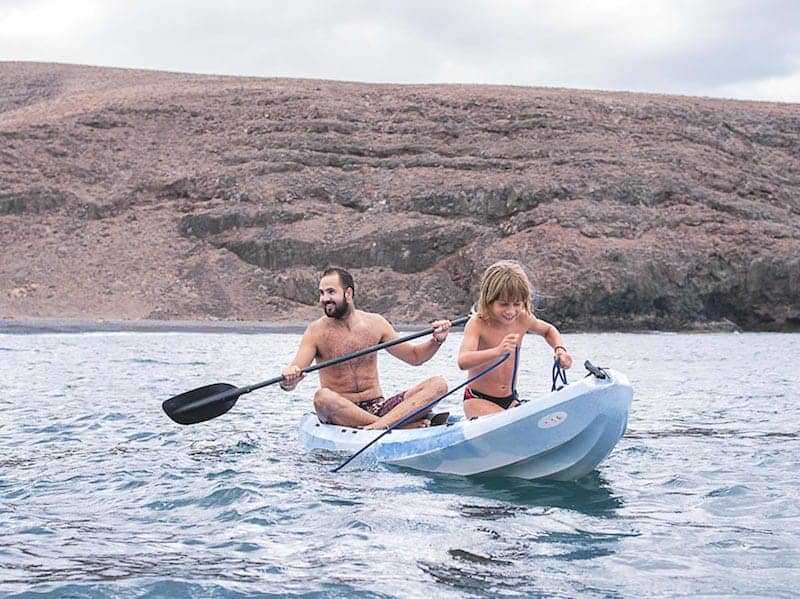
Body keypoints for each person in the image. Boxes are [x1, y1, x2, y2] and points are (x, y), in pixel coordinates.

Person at [280, 266, 454, 429]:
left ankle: (382, 425)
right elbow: (293, 376)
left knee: (438, 384)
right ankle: (395, 425)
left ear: (348, 293)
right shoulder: (315, 331)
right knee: (322, 398)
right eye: (322, 293)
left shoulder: (375, 323)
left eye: (331, 292)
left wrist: (436, 341)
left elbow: (415, 357)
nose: (324, 298)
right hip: (342, 413)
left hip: (377, 406)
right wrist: (289, 379)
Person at [457, 260, 573, 419]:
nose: (511, 311)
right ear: (488, 300)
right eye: (503, 304)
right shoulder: (477, 323)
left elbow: (548, 330)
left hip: (511, 399)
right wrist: (497, 351)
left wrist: (560, 350)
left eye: (517, 304)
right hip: (477, 399)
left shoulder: (523, 318)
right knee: (507, 424)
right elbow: (463, 361)